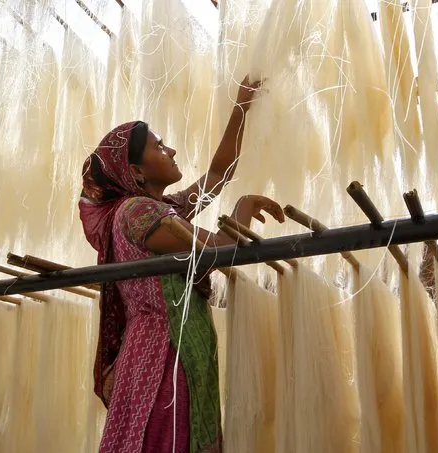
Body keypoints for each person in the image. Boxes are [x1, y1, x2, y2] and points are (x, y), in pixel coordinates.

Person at [78, 75, 284, 453]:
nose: (170, 150)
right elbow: (215, 251)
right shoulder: (136, 212)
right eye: (158, 146)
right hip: (161, 357)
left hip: (179, 346)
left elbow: (219, 173)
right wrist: (242, 208)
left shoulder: (163, 209)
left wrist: (242, 106)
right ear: (136, 171)